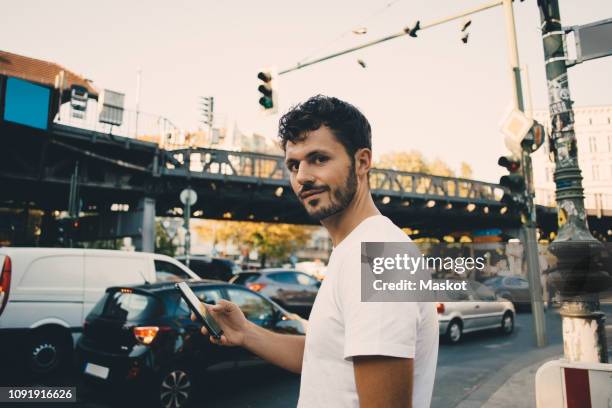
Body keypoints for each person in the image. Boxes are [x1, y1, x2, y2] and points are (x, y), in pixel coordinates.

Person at [193, 95, 438, 407]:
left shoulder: (380, 255)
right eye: (294, 164)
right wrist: (245, 332)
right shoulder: (355, 250)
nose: (302, 177)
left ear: (362, 162)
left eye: (319, 159)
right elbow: (326, 355)